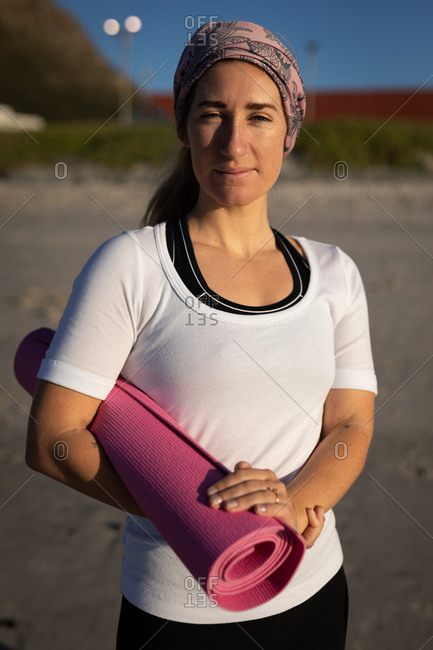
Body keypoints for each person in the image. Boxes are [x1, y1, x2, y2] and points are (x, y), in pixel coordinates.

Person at [25, 20, 377, 650]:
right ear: (184, 129)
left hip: (313, 586)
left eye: (260, 116)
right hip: (176, 612)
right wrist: (192, 518)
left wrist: (293, 508)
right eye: (213, 113)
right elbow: (52, 439)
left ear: (289, 133)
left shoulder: (334, 272)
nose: (234, 141)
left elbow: (350, 424)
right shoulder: (130, 264)